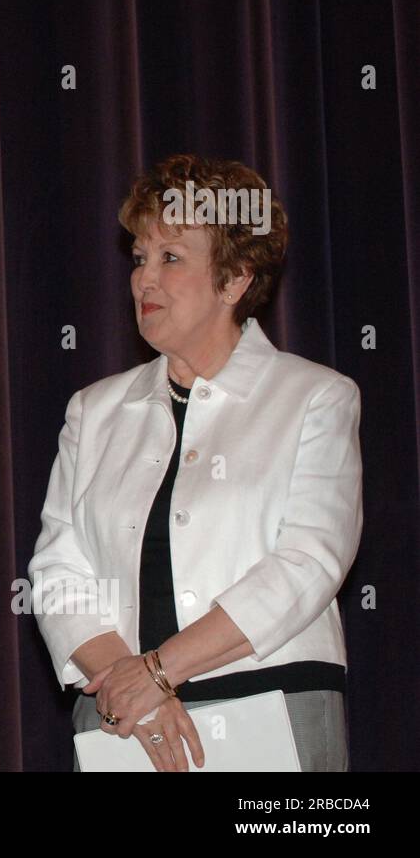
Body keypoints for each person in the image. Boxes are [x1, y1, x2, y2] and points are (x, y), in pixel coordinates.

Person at [28, 154, 362, 772]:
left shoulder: (315, 396)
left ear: (234, 280)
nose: (142, 280)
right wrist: (132, 687)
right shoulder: (94, 410)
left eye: (170, 258)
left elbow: (310, 560)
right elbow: (56, 573)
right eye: (138, 258)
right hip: (123, 725)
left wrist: (159, 670)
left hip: (273, 706)